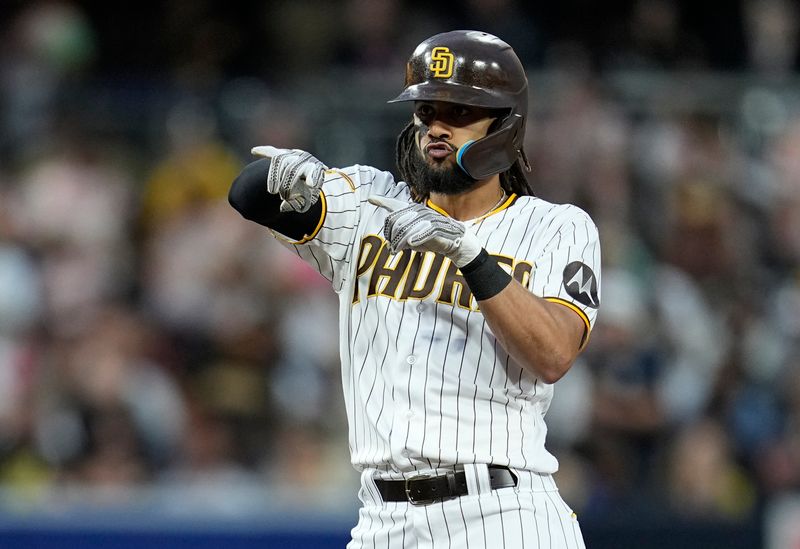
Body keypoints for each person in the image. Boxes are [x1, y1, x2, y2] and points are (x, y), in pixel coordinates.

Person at [229, 30, 600, 549]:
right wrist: (281, 175)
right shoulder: (372, 203)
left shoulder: (556, 226)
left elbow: (554, 352)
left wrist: (469, 255)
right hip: (382, 521)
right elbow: (248, 195)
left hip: (503, 512)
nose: (436, 127)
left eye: (458, 112)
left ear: (504, 125)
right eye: (426, 111)